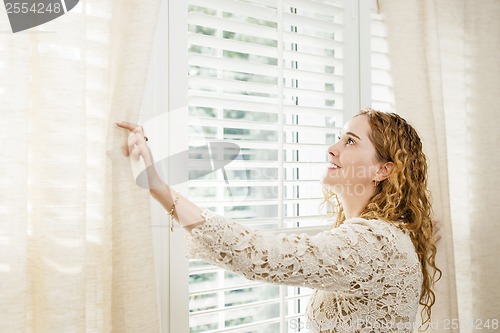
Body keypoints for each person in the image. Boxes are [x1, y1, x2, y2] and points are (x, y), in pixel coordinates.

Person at [116, 108, 441, 332]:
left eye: (350, 141)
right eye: (338, 137)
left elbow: (259, 254)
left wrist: (157, 186)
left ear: (383, 169)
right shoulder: (370, 235)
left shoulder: (375, 242)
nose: (331, 149)